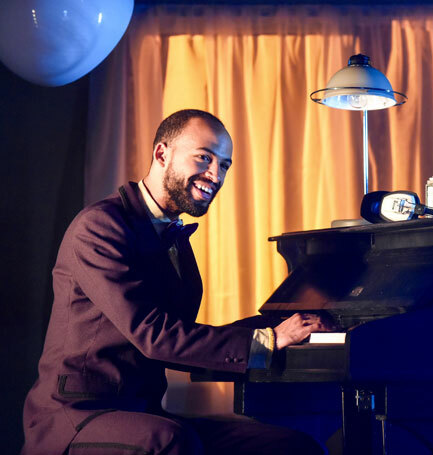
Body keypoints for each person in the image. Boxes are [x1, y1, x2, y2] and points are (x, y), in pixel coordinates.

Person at [22, 109, 332, 454]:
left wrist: (277, 327)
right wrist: (269, 339)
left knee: (292, 445)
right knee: (169, 440)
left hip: (143, 413)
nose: (215, 174)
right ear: (161, 154)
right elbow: (155, 336)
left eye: (225, 165)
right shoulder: (98, 227)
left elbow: (178, 338)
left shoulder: (172, 239)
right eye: (204, 157)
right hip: (76, 414)